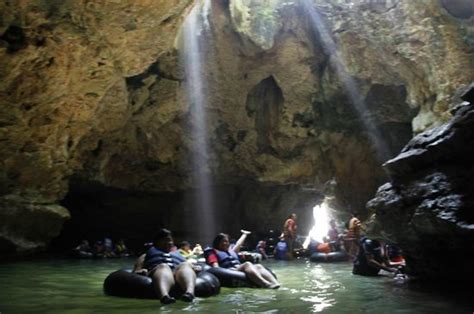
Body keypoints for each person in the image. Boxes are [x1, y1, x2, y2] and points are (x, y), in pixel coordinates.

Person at [133, 228, 197, 304]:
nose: (169, 242)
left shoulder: (177, 254)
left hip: (177, 272)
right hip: (158, 271)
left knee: (185, 265)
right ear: (158, 241)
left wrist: (193, 267)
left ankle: (189, 293)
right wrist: (140, 270)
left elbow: (189, 265)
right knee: (164, 266)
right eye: (166, 240)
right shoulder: (146, 255)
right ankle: (164, 297)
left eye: (170, 240)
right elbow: (136, 270)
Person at [206, 231, 280, 289]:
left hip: (237, 269)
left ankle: (275, 283)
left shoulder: (230, 252)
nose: (225, 243)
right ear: (217, 242)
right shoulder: (212, 252)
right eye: (223, 241)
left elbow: (238, 244)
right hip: (228, 271)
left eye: (227, 241)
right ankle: (265, 284)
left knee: (258, 266)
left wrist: (244, 234)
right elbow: (215, 268)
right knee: (247, 264)